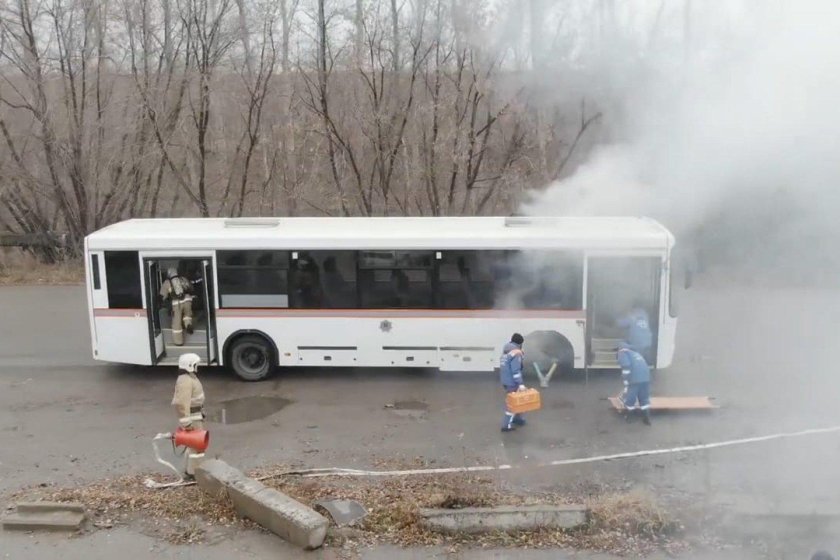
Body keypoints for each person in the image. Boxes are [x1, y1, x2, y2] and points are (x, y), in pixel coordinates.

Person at [172, 353, 206, 478]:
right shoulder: (185, 381)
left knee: (193, 446)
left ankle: (191, 470)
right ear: (190, 365)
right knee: (196, 446)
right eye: (196, 364)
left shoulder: (189, 378)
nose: (198, 366)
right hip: (192, 417)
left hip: (196, 415)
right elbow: (181, 403)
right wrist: (186, 423)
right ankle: (194, 473)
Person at [617, 341, 652, 425]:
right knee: (644, 397)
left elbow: (626, 366)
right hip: (646, 377)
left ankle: (630, 417)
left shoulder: (622, 353)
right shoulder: (635, 353)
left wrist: (626, 382)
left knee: (630, 398)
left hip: (635, 378)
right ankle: (646, 418)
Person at [500, 333, 528, 432]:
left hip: (505, 380)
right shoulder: (516, 353)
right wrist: (520, 384)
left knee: (518, 400)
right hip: (512, 382)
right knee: (512, 403)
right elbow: (516, 370)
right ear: (520, 343)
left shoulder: (506, 350)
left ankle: (517, 418)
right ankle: (506, 425)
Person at [160, 267, 194, 346]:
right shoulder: (183, 279)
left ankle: (178, 342)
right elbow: (191, 288)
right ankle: (188, 324)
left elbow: (162, 296)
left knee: (176, 323)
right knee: (187, 316)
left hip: (177, 303)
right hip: (188, 300)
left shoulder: (167, 282)